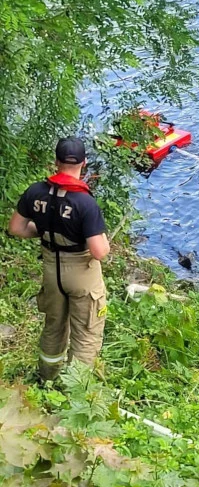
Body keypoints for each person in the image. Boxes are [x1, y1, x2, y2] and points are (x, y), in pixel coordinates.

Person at [7, 137, 111, 380]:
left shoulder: (35, 192)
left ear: (56, 161)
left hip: (52, 271)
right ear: (83, 163)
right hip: (82, 275)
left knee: (54, 327)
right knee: (86, 333)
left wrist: (42, 232)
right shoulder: (85, 202)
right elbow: (99, 251)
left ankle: (47, 378)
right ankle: (76, 391)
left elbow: (16, 228)